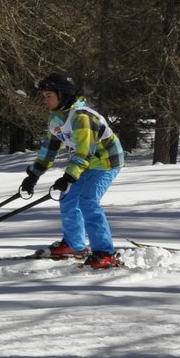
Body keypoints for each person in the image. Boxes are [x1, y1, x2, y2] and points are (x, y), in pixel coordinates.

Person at [18, 72, 124, 270]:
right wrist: (33, 175)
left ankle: (105, 253)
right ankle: (74, 245)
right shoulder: (57, 119)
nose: (45, 100)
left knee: (88, 200)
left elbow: (84, 153)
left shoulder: (82, 118)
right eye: (44, 96)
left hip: (105, 162)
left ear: (63, 95)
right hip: (85, 163)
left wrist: (69, 176)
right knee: (68, 197)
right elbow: (48, 151)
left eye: (49, 96)